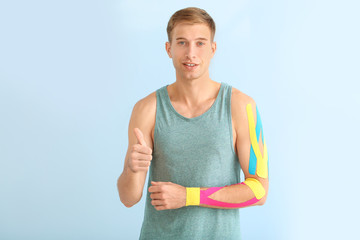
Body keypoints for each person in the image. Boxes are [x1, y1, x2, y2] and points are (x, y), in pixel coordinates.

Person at [117, 7, 269, 240]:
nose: (191, 53)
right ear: (169, 49)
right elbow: (129, 198)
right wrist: (131, 168)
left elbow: (259, 191)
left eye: (200, 43)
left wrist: (188, 196)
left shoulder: (241, 106)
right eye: (181, 43)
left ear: (213, 49)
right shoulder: (146, 109)